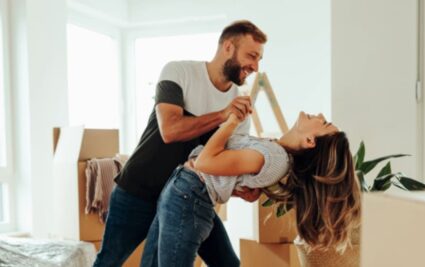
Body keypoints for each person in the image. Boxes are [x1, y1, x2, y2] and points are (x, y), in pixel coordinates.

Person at [93, 20, 267, 267]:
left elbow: (220, 163)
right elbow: (170, 130)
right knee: (108, 262)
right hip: (138, 192)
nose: (255, 66)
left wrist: (241, 190)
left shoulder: (240, 104)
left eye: (259, 59)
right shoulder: (178, 72)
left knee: (228, 263)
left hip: (187, 199)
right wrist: (222, 115)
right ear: (228, 46)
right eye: (251, 55)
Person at [140, 111, 361, 266]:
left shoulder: (274, 157)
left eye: (324, 123)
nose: (320, 115)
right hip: (188, 191)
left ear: (310, 140)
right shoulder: (275, 150)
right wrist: (237, 187)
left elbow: (204, 163)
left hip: (188, 195)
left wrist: (231, 121)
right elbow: (229, 169)